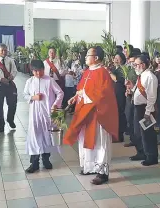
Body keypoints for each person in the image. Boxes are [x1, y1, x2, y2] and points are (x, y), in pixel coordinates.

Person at [63, 46, 119, 185]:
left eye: (89, 55)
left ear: (96, 58)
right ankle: (90, 167)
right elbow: (81, 89)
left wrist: (84, 94)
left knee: (99, 143)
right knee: (85, 140)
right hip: (85, 112)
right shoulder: (88, 71)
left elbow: (104, 95)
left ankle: (102, 172)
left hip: (98, 114)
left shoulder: (103, 72)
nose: (86, 57)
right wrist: (75, 97)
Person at [23, 60, 64, 173]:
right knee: (35, 136)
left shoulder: (49, 80)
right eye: (35, 71)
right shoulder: (30, 82)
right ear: (32, 71)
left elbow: (60, 93)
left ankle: (46, 160)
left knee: (47, 136)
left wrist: (55, 105)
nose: (38, 73)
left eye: (40, 70)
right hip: (35, 114)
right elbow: (25, 94)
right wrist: (33, 97)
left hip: (47, 113)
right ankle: (34, 163)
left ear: (43, 69)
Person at [126, 55, 159, 166]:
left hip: (146, 108)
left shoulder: (150, 77)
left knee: (148, 133)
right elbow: (139, 90)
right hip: (138, 108)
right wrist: (131, 88)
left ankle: (151, 156)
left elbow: (151, 97)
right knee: (138, 132)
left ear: (143, 65)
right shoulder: (141, 76)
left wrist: (148, 112)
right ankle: (142, 152)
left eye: (136, 64)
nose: (134, 66)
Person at [0, 43, 18, 133]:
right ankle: (1, 125)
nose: (4, 52)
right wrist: (0, 79)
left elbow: (14, 70)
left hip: (9, 84)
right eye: (2, 50)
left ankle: (10, 119)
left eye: (5, 50)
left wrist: (12, 76)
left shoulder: (10, 60)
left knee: (12, 103)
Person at [109, 52, 127, 143]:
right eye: (114, 58)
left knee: (119, 112)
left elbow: (117, 79)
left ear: (122, 59)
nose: (115, 59)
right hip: (113, 92)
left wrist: (109, 73)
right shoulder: (113, 68)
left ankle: (120, 135)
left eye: (118, 58)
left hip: (120, 92)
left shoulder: (122, 69)